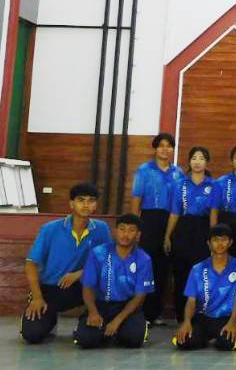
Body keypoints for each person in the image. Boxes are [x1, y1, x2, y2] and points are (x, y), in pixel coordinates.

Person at [21, 183, 111, 344]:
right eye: (81, 200)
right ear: (71, 204)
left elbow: (107, 263)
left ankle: (87, 321)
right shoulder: (50, 229)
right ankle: (49, 319)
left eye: (91, 200)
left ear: (96, 205)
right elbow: (31, 264)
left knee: (89, 338)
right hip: (51, 289)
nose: (86, 205)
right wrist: (37, 298)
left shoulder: (102, 229)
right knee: (32, 334)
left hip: (84, 288)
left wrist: (79, 274)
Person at [74, 214, 153, 349]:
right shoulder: (98, 253)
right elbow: (87, 287)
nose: (125, 234)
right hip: (101, 305)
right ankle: (104, 331)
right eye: (122, 229)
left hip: (127, 306)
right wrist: (93, 312)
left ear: (138, 235)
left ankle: (125, 328)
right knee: (85, 340)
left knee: (134, 340)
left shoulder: (144, 259)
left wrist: (118, 320)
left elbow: (140, 296)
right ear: (115, 231)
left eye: (131, 230)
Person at [129, 132, 184, 324]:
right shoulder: (144, 170)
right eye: (161, 145)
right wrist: (135, 226)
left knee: (163, 269)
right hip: (149, 220)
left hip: (171, 222)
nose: (165, 149)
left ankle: (154, 314)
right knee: (147, 266)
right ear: (155, 148)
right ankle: (141, 313)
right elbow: (136, 199)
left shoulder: (178, 173)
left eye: (169, 146)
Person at [164, 146, 218, 323]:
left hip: (204, 229)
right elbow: (174, 213)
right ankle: (181, 316)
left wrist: (213, 238)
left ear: (207, 162)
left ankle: (200, 315)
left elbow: (213, 215)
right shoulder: (179, 184)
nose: (197, 162)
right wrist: (167, 236)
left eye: (201, 158)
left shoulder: (214, 185)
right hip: (183, 229)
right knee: (181, 272)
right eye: (194, 158)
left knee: (202, 273)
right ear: (189, 162)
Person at [173, 224, 236, 351]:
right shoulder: (197, 269)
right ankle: (202, 338)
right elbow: (191, 300)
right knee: (184, 342)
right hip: (203, 317)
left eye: (224, 239)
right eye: (215, 240)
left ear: (230, 242)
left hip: (226, 318)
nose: (219, 244)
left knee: (226, 344)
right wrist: (186, 322)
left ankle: (224, 336)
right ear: (209, 243)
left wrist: (232, 322)